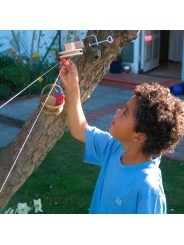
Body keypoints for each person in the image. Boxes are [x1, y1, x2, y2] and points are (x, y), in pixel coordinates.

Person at [60, 59, 184, 214]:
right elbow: (79, 129)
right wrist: (72, 86)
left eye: (125, 112)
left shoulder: (148, 188)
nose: (118, 111)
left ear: (138, 137)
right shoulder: (114, 147)